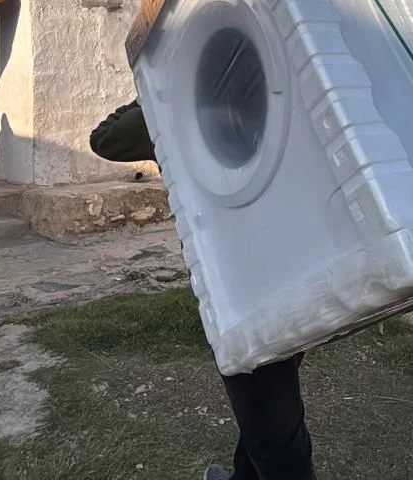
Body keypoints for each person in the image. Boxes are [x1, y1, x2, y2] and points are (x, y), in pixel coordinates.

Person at [90, 100, 316, 480]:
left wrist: (149, 80)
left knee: (275, 431)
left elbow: (105, 138)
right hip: (296, 264)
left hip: (235, 284)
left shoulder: (176, 103)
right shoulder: (279, 89)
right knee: (268, 401)